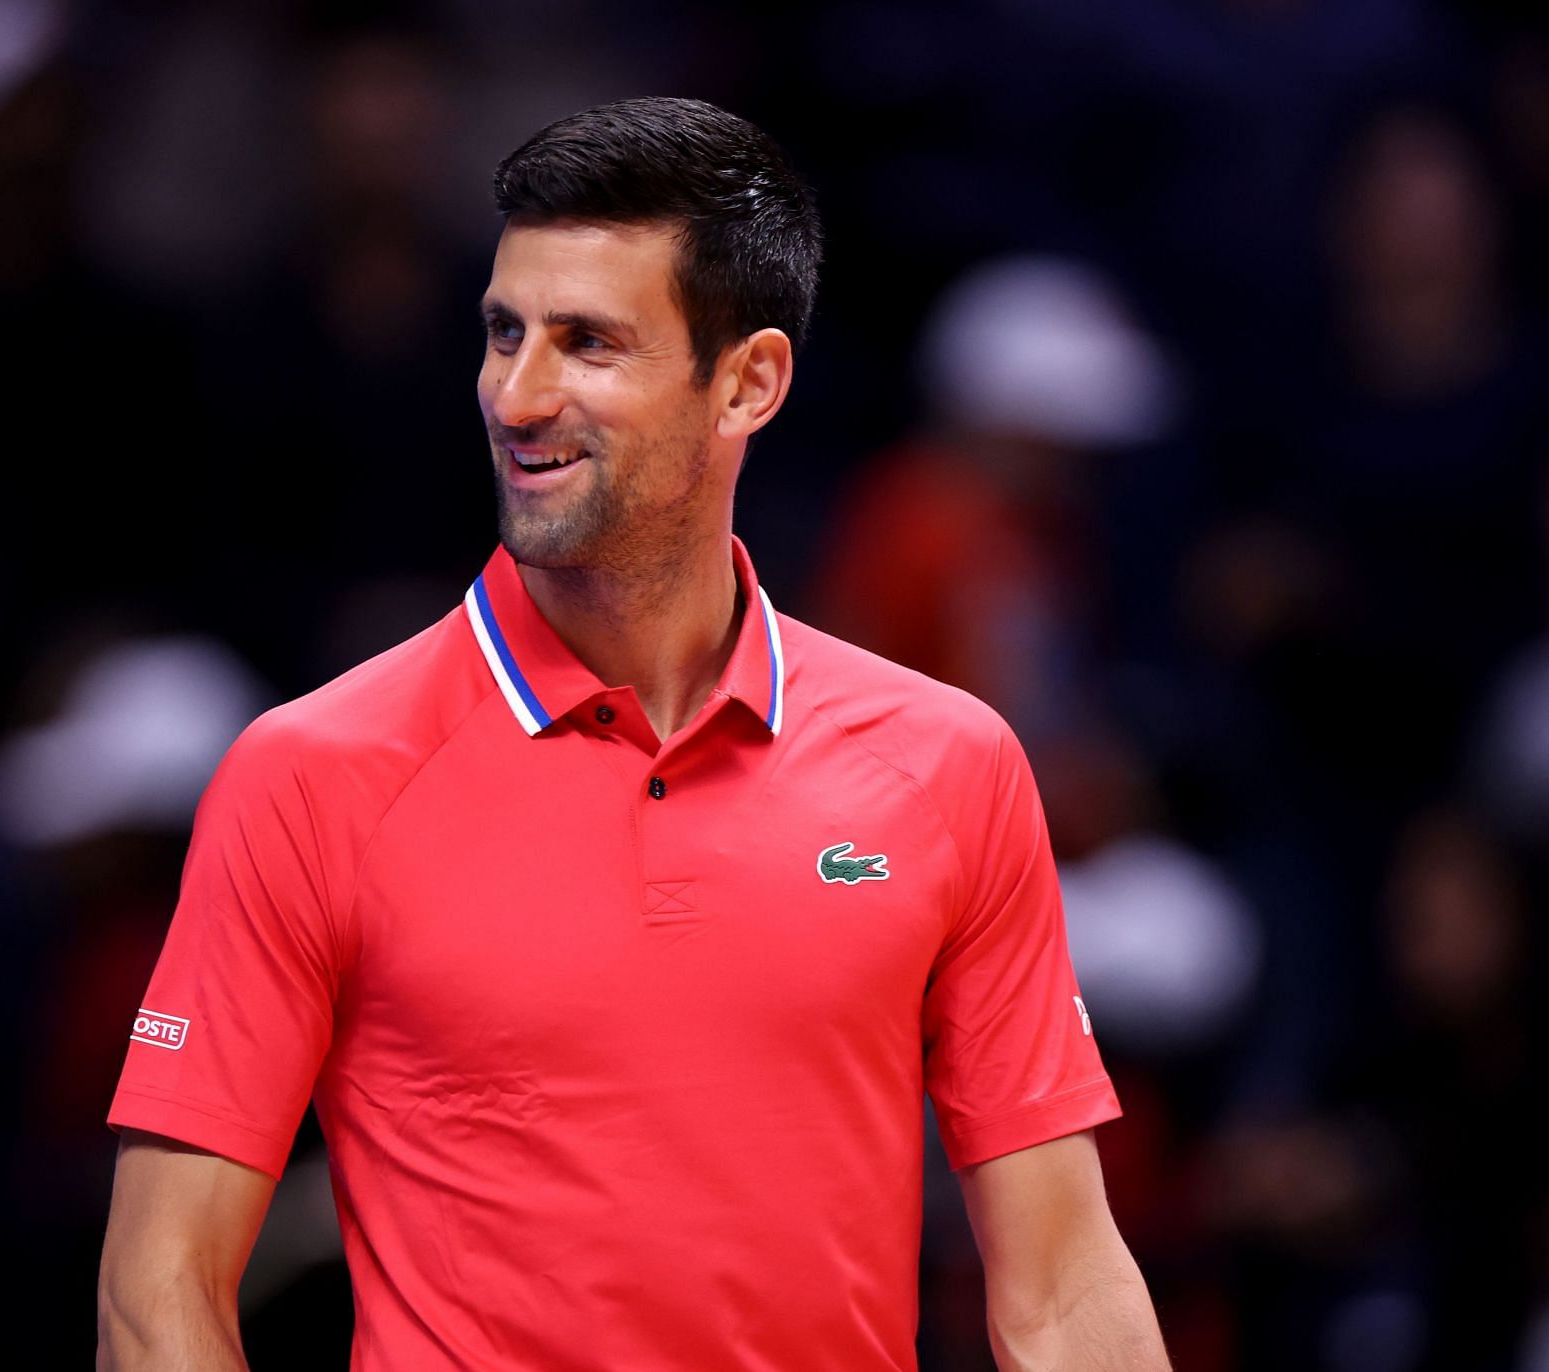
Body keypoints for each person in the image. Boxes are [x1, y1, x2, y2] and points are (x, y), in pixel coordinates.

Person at [97, 96, 1170, 1371]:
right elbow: (155, 1294)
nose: (519, 394)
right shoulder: (310, 775)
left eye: (588, 344)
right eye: (505, 333)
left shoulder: (950, 765)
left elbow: (1062, 1286)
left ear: (749, 383)